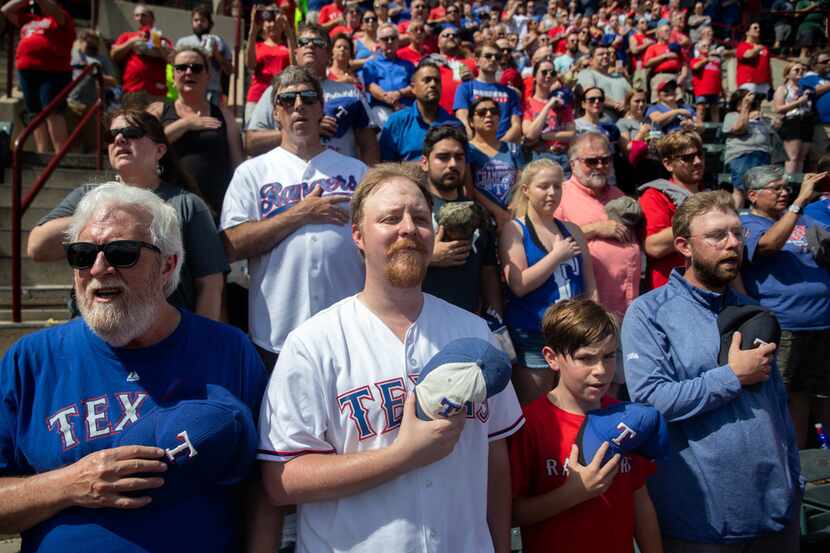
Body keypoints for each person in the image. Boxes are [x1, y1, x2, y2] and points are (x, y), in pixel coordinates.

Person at [256, 163, 524, 552]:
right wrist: (402, 456)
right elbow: (281, 480)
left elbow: (495, 459)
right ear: (358, 235)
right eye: (389, 218)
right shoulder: (314, 343)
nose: (408, 229)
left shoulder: (474, 332)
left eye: (419, 217)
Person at [0, 183, 267, 552]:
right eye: (82, 254)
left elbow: (262, 488)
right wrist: (71, 484)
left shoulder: (229, 350)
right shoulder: (30, 360)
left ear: (168, 265)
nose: (98, 268)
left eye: (121, 253)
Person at [622, 191, 801, 552]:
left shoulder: (754, 311)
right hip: (701, 521)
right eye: (718, 235)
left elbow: (778, 406)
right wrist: (732, 376)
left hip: (775, 513)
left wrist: (793, 481)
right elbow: (651, 400)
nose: (733, 244)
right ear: (684, 246)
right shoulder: (648, 313)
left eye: (738, 233)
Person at [221, 66, 368, 368]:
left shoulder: (356, 171)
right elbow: (232, 245)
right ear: (276, 113)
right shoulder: (252, 172)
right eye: (287, 100)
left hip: (349, 330)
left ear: (321, 108)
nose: (298, 105)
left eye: (308, 97)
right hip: (276, 335)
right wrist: (300, 214)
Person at [27, 109, 227, 321]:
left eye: (131, 132)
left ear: (159, 151)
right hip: (95, 336)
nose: (119, 139)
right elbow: (37, 247)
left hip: (165, 339)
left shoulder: (187, 205)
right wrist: (102, 212)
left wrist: (201, 342)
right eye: (111, 136)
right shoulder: (88, 197)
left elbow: (210, 283)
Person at [509, 298, 662, 553]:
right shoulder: (529, 425)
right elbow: (511, 512)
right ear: (551, 357)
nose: (601, 370)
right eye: (586, 358)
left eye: (609, 356)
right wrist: (575, 492)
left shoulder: (628, 417)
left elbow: (641, 502)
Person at [740, 166, 830, 448]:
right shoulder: (748, 224)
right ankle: (784, 457)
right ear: (753, 195)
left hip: (822, 324)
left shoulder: (804, 221)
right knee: (781, 396)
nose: (784, 192)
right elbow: (768, 245)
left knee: (809, 396)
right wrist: (798, 202)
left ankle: (805, 459)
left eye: (785, 187)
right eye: (775, 188)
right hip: (784, 327)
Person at [501, 159, 598, 405]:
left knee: (571, 405)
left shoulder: (572, 230)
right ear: (526, 190)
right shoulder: (515, 229)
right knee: (536, 408)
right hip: (534, 333)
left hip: (573, 334)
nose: (552, 193)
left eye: (557, 186)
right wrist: (556, 256)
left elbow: (590, 284)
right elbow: (519, 284)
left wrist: (595, 324)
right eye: (543, 186)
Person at [245, 24, 379, 164]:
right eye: (303, 42)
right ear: (296, 52)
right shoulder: (277, 91)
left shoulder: (351, 93)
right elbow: (251, 143)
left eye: (318, 42)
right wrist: (305, 129)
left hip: (341, 180)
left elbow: (369, 146)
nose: (310, 45)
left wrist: (368, 183)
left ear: (329, 54)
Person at [555, 132, 641, 322]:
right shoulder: (559, 196)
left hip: (627, 309)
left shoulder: (618, 194)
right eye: (591, 162)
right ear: (573, 164)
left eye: (606, 160)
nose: (601, 166)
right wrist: (594, 229)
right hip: (588, 315)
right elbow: (549, 243)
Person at [148, 47, 243, 216]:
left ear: (208, 76)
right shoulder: (157, 111)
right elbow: (146, 149)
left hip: (214, 208)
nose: (188, 72)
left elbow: (237, 164)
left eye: (196, 68)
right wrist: (185, 124)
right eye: (181, 68)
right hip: (166, 207)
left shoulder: (224, 115)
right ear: (173, 76)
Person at [420, 125, 502, 314]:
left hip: (468, 321)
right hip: (421, 322)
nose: (452, 164)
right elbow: (384, 264)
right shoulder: (411, 209)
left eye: (459, 157)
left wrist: (497, 318)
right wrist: (427, 257)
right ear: (424, 162)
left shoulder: (479, 212)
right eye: (443, 157)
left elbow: (488, 271)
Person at [2, 0, 74, 153]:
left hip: (53, 71)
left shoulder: (61, 17)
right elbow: (5, 10)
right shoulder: (29, 20)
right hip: (27, 71)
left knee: (53, 112)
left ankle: (60, 154)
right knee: (34, 113)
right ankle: (42, 152)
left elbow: (53, 9)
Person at [640, 132, 704, 290]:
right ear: (668, 164)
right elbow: (653, 247)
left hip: (705, 287)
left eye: (700, 155)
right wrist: (700, 215)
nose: (697, 161)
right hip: (669, 290)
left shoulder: (707, 194)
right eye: (687, 158)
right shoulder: (655, 196)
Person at [379, 60, 459, 162]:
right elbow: (386, 168)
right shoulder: (397, 122)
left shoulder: (454, 125)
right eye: (427, 80)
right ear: (413, 88)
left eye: (437, 80)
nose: (433, 84)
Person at [467, 96, 528, 228]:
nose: (489, 115)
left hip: (513, 215)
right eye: (482, 112)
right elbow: (468, 187)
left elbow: (523, 181)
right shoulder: (466, 150)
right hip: (480, 218)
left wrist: (515, 207)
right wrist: (497, 212)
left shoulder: (513, 148)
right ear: (471, 121)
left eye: (494, 112)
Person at [454, 42, 523, 143]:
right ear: (477, 60)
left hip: (503, 149)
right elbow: (462, 119)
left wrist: (499, 146)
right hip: (475, 148)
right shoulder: (465, 88)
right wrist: (474, 144)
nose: (493, 59)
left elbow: (516, 126)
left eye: (497, 57)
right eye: (488, 56)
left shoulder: (510, 93)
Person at [722, 89, 777, 208]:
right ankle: (735, 218)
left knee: (761, 191)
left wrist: (770, 117)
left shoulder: (761, 117)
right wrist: (745, 108)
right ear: (738, 105)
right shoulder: (731, 115)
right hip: (742, 156)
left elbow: (777, 128)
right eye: (747, 101)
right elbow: (739, 129)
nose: (752, 104)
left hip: (763, 155)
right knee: (740, 190)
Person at [110, 4, 173, 106]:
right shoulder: (127, 36)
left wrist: (158, 45)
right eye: (137, 15)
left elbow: (171, 60)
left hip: (157, 92)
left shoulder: (163, 40)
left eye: (143, 15)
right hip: (133, 89)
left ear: (152, 18)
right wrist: (131, 42)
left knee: (154, 121)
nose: (140, 18)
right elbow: (114, 55)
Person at [522, 57, 576, 176]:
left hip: (562, 158)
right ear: (534, 76)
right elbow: (530, 135)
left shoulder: (563, 103)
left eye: (552, 73)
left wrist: (542, 136)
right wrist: (548, 105)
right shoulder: (527, 103)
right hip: (538, 157)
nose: (548, 75)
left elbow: (572, 134)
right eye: (544, 72)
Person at [176, 4, 233, 106]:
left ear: (209, 23)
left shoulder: (219, 42)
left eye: (202, 20)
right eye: (196, 20)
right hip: (188, 89)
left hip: (212, 91)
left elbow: (229, 70)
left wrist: (216, 53)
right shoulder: (182, 43)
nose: (199, 23)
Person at [245, 3, 293, 121]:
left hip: (280, 98)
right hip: (257, 96)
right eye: (268, 21)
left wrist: (289, 34)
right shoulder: (257, 46)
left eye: (275, 20)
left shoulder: (287, 48)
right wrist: (253, 29)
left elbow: (294, 67)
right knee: (253, 135)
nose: (272, 24)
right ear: (263, 25)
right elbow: (250, 65)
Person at [361, 24, 415, 124]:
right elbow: (371, 87)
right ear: (379, 42)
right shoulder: (371, 64)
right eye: (385, 39)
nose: (390, 41)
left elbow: (415, 87)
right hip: (382, 110)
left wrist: (399, 93)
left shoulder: (408, 65)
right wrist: (393, 101)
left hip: (406, 109)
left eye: (393, 38)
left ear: (398, 41)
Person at [773, 61, 814, 178]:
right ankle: (789, 183)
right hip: (792, 122)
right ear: (787, 74)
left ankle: (797, 183)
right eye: (796, 70)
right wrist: (798, 102)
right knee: (793, 157)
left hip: (806, 121)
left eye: (802, 70)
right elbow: (778, 108)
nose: (800, 72)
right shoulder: (783, 89)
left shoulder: (804, 89)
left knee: (802, 157)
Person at [576, 46, 631, 121]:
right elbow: (589, 92)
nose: (605, 56)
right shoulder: (586, 73)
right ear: (591, 60)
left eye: (607, 54)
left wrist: (626, 106)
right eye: (601, 54)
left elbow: (633, 96)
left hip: (626, 121)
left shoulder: (619, 76)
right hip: (601, 122)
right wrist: (615, 105)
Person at [642, 24, 685, 103]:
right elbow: (646, 63)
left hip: (675, 77)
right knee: (658, 103)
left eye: (669, 31)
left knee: (678, 102)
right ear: (658, 34)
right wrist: (665, 56)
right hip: (660, 77)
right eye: (666, 31)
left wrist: (683, 75)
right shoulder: (652, 47)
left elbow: (684, 63)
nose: (668, 33)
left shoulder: (675, 47)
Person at [736, 21, 772, 96]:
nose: (758, 30)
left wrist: (771, 84)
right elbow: (748, 55)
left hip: (764, 84)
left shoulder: (764, 48)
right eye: (755, 28)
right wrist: (757, 49)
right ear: (747, 32)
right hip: (748, 82)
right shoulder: (742, 45)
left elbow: (768, 67)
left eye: (759, 28)